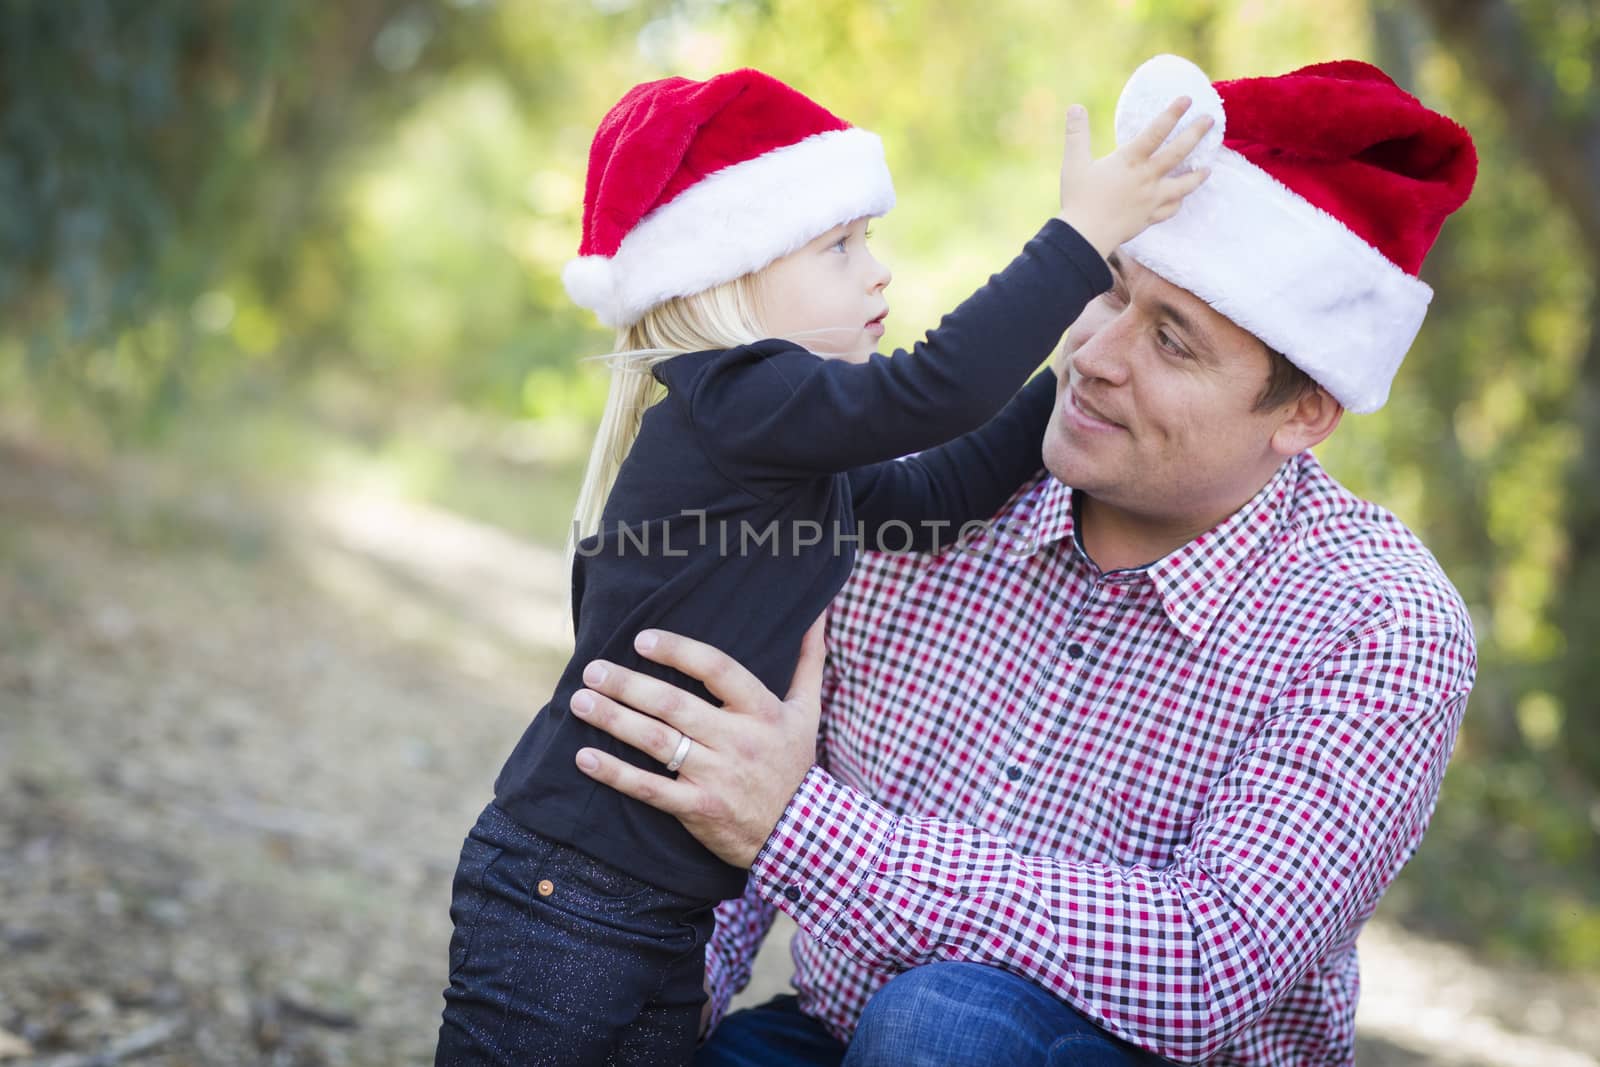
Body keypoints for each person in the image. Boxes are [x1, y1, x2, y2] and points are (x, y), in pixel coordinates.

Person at [564, 54, 1480, 1067]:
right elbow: (738, 773)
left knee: (942, 1027)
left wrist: (800, 827)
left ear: (1305, 411)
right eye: (1106, 290)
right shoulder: (910, 494)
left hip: (1133, 1054)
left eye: (1171, 340)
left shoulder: (1377, 620)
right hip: (830, 1034)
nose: (1093, 351)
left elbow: (1209, 960)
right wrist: (658, 991)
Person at [434, 67, 1213, 1065]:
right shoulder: (736, 398)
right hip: (569, 893)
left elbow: (941, 492)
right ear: (732, 272)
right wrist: (1076, 243)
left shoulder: (783, 463)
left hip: (657, 905)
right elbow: (936, 392)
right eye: (839, 246)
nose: (875, 272)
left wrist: (1071, 372)